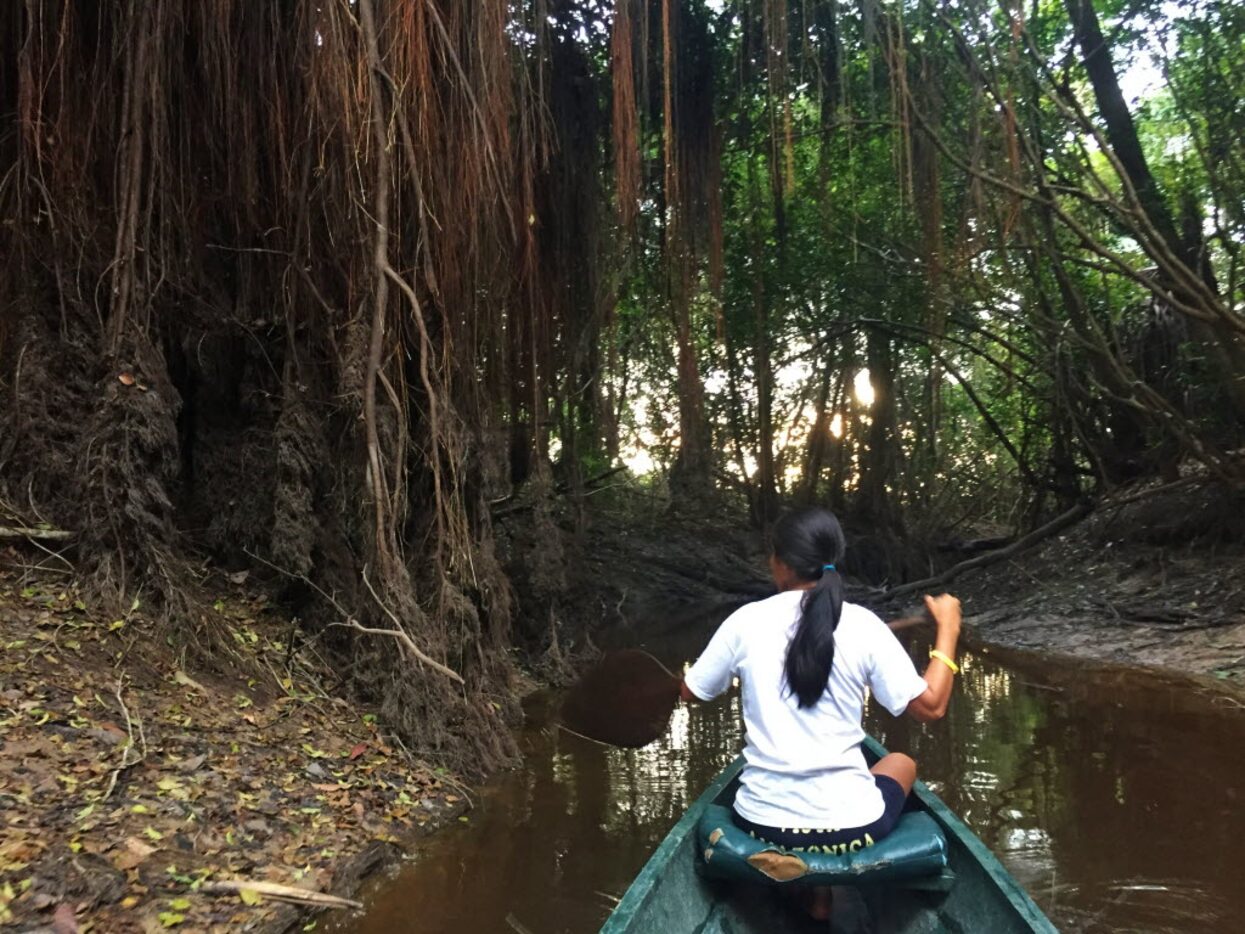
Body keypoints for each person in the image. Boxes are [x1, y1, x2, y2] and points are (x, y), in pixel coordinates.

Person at [679, 506, 961, 920]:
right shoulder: (864, 625)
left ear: (779, 563)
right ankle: (822, 896)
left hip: (761, 825)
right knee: (900, 762)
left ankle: (816, 898)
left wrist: (683, 679)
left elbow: (691, 692)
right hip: (853, 830)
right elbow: (931, 706)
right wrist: (948, 630)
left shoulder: (744, 622)